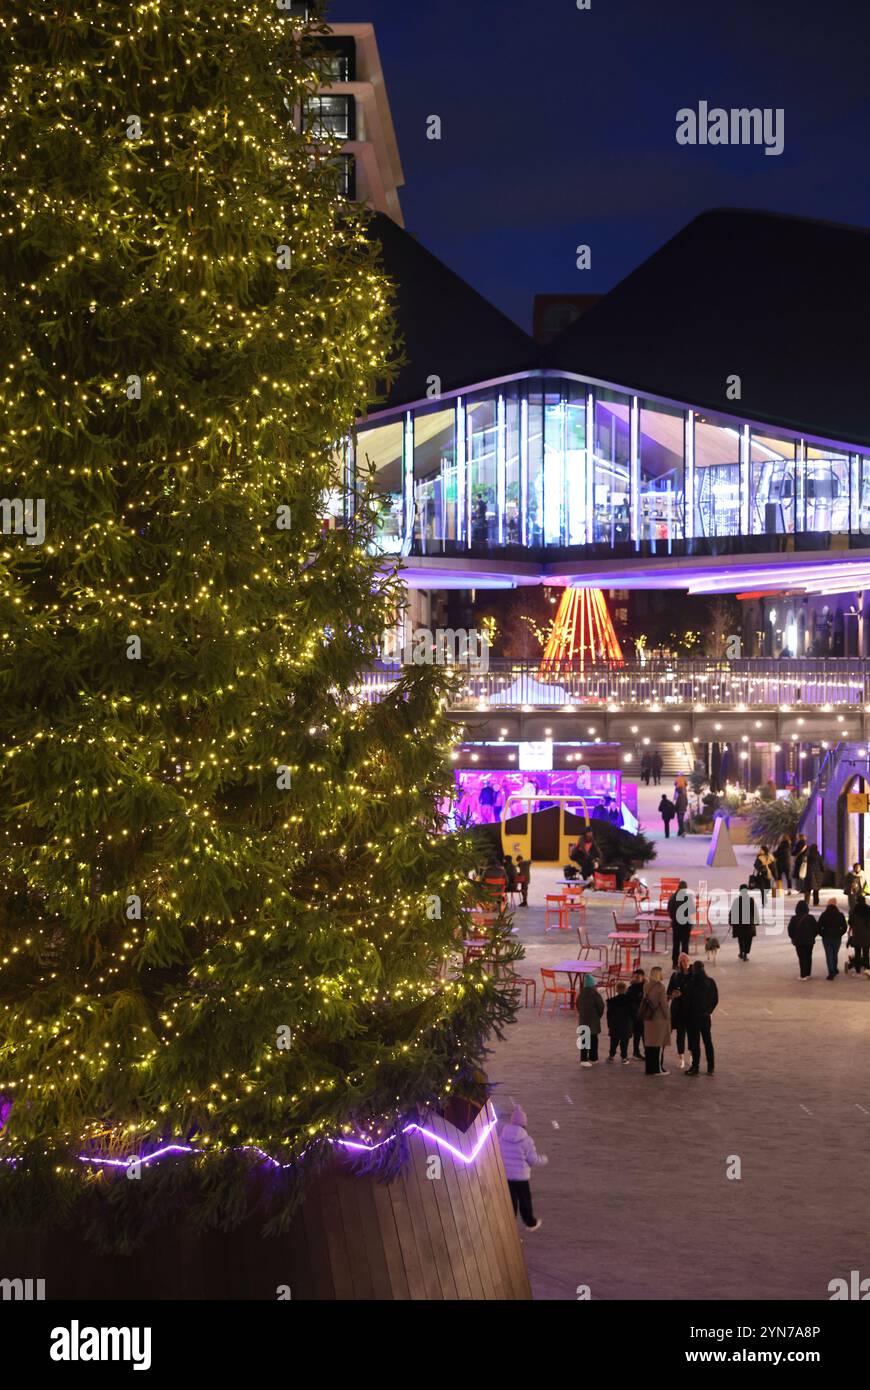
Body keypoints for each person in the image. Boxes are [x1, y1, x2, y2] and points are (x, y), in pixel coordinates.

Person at [498, 1106, 548, 1232]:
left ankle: (509, 1226)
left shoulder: (502, 1137)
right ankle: (530, 1223)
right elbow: (532, 1159)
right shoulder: (527, 1140)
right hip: (521, 1177)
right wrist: (544, 1159)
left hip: (506, 1176)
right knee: (525, 1201)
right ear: (524, 1124)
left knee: (510, 1202)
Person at [683, 960, 719, 1076]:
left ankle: (695, 1067)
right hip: (705, 1017)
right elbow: (715, 999)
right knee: (708, 1041)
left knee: (695, 1043)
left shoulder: (692, 983)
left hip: (693, 1017)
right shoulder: (710, 982)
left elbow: (686, 1001)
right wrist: (709, 1010)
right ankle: (711, 1067)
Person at [640, 965, 670, 1075]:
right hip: (658, 1019)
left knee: (649, 1045)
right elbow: (664, 1004)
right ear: (658, 974)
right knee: (658, 1045)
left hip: (648, 1018)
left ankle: (649, 1069)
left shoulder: (647, 986)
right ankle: (657, 1069)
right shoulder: (661, 987)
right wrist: (668, 1016)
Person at [667, 952, 693, 1071]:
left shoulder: (694, 975)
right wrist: (672, 995)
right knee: (680, 1034)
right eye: (681, 961)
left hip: (691, 1009)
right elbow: (669, 992)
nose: (683, 963)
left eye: (685, 961)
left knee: (692, 1035)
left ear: (690, 962)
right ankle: (681, 1057)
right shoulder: (675, 976)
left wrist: (684, 994)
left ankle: (692, 1056)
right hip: (678, 1009)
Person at [577, 973, 605, 1066]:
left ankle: (584, 1059)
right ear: (593, 985)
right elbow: (601, 1007)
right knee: (593, 1040)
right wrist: (598, 1016)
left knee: (584, 1041)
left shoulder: (580, 995)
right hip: (593, 1022)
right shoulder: (596, 995)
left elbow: (578, 1007)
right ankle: (593, 1058)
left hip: (583, 1021)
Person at [788, 899, 818, 980]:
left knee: (801, 957)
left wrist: (793, 937)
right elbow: (816, 929)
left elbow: (790, 930)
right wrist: (812, 936)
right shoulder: (811, 918)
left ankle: (803, 974)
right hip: (809, 941)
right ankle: (808, 973)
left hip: (798, 941)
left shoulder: (794, 918)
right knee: (808, 956)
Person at [667, 880, 695, 967]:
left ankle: (675, 963)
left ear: (678, 887)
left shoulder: (672, 897)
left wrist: (673, 918)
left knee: (676, 944)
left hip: (676, 923)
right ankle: (684, 964)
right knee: (685, 944)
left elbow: (669, 910)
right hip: (686, 924)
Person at [818, 898, 847, 980]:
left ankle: (831, 972)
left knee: (829, 954)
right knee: (834, 953)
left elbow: (819, 927)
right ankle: (834, 968)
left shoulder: (824, 915)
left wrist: (823, 934)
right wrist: (840, 933)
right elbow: (844, 927)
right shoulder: (840, 915)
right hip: (837, 938)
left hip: (826, 938)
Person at [606, 980, 633, 1063]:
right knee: (624, 1043)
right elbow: (633, 1014)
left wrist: (609, 1025)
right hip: (626, 1025)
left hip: (615, 1025)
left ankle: (611, 1056)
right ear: (625, 989)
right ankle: (624, 1058)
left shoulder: (611, 1001)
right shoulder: (630, 1001)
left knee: (614, 1042)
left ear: (616, 990)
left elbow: (609, 1015)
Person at [729, 883, 757, 961]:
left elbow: (732, 912)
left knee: (741, 939)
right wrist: (756, 922)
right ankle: (745, 953)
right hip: (749, 924)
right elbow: (754, 912)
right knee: (748, 939)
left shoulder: (737, 900)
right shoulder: (751, 900)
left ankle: (741, 952)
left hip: (739, 925)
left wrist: (731, 922)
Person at [625, 968, 646, 1059]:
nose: (637, 978)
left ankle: (647, 1052)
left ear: (643, 977)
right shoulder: (631, 988)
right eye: (635, 977)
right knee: (637, 1034)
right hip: (635, 1015)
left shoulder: (646, 987)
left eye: (638, 977)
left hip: (644, 1014)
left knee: (645, 1035)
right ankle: (636, 1052)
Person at [847, 896, 870, 976]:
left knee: (857, 953)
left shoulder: (854, 910)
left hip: (857, 934)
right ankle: (867, 968)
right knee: (866, 953)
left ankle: (857, 970)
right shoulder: (868, 909)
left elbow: (850, 922)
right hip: (867, 935)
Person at [802, 843, 824, 907]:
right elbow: (822, 865)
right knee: (816, 889)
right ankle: (816, 902)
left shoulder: (807, 856)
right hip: (817, 874)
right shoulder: (818, 856)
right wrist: (822, 872)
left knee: (807, 889)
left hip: (808, 874)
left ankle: (806, 902)